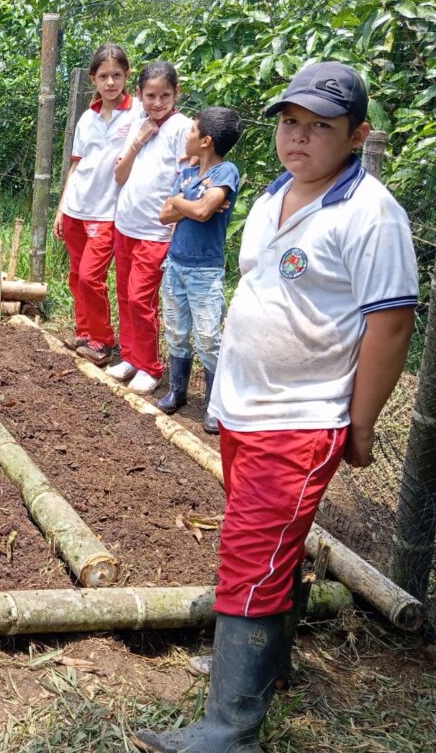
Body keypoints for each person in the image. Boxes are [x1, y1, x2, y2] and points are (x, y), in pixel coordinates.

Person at [134, 63, 418, 752]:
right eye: (291, 122)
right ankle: (263, 671)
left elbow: (392, 326)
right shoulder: (271, 196)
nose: (300, 138)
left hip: (302, 415)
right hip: (247, 407)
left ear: (358, 134)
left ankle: (230, 729)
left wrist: (362, 421)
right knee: (271, 552)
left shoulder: (372, 214)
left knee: (250, 554)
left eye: (321, 126)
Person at [156, 107, 243, 434]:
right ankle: (178, 391)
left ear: (206, 140)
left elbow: (205, 211)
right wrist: (186, 205)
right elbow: (165, 216)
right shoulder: (188, 173)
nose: (187, 136)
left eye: (192, 131)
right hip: (175, 264)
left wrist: (183, 204)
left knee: (208, 338)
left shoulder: (226, 172)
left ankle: (214, 404)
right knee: (176, 331)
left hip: (205, 272)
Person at [109, 61, 194, 395]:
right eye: (151, 96)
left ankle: (150, 366)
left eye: (165, 95)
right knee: (125, 295)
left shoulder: (182, 128)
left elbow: (186, 180)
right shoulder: (138, 124)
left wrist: (175, 227)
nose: (158, 103)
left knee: (141, 299)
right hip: (125, 223)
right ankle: (130, 357)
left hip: (155, 231)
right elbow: (119, 175)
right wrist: (138, 141)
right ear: (140, 94)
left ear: (177, 94)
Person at [53, 44, 137, 366]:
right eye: (104, 76)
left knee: (92, 277)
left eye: (117, 75)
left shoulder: (138, 112)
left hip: (107, 212)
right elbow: (76, 166)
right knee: (77, 276)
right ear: (93, 79)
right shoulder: (86, 119)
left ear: (127, 75)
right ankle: (84, 333)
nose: (111, 82)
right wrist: (61, 208)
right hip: (77, 207)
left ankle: (102, 341)